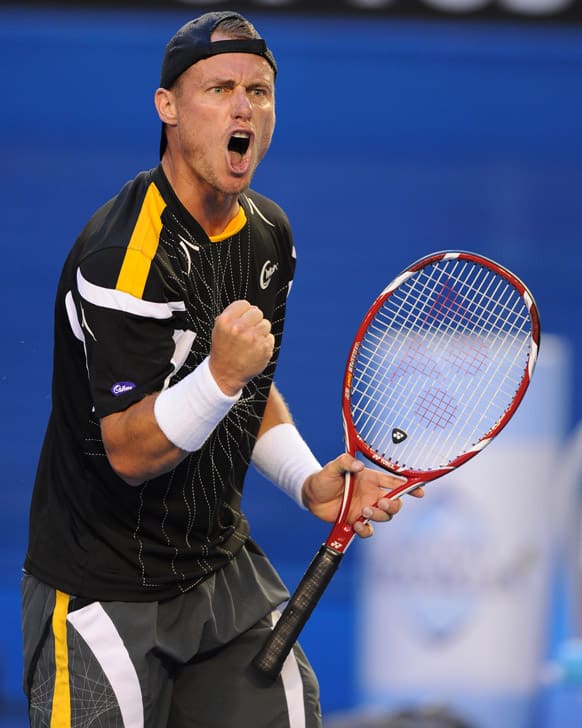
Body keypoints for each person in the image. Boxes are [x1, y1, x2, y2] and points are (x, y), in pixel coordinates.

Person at [21, 11, 423, 728]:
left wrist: (308, 482)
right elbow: (131, 453)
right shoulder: (124, 257)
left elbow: (251, 392)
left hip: (218, 571)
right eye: (219, 89)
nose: (244, 107)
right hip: (102, 586)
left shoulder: (269, 234)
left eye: (260, 91)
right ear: (167, 108)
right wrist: (221, 376)